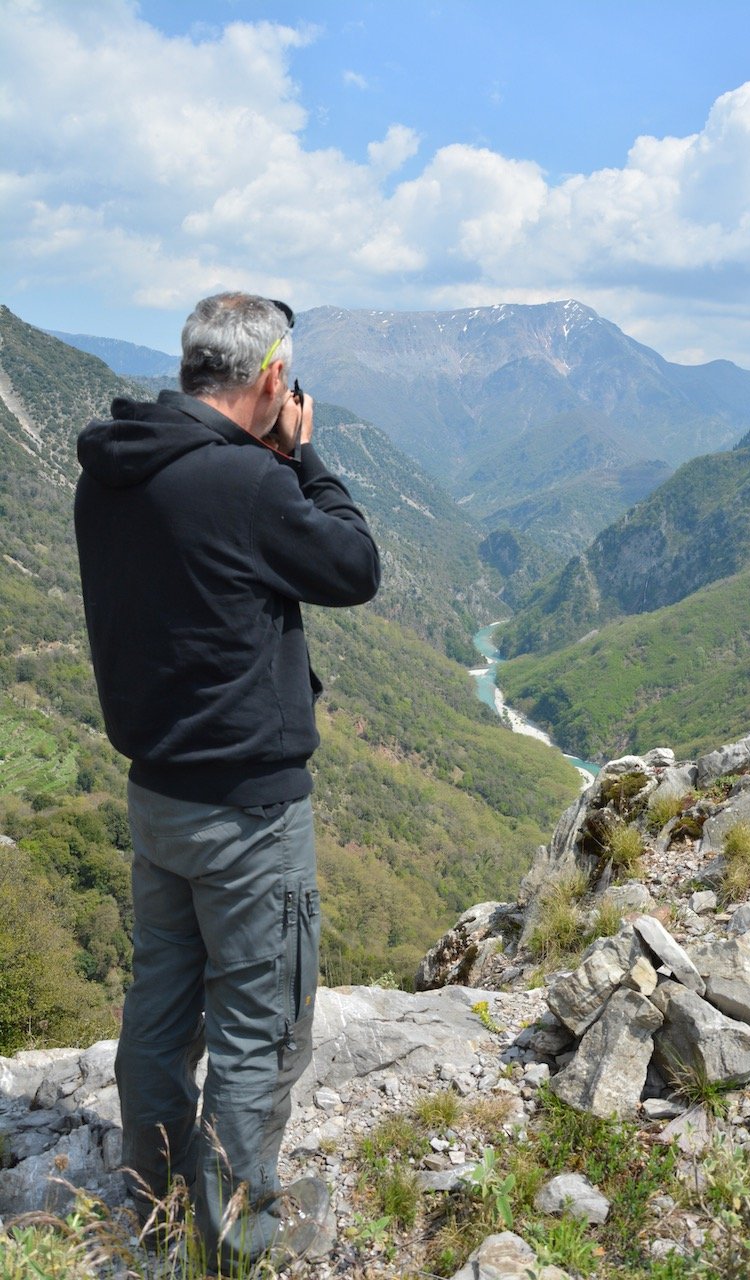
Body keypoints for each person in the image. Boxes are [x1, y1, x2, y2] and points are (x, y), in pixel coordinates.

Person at [74, 292, 381, 1272]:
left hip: (156, 798)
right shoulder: (246, 483)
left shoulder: (113, 470)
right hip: (249, 812)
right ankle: (237, 1239)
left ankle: (157, 1211)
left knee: (160, 1010)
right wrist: (305, 457)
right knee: (259, 1029)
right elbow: (352, 565)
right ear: (271, 378)